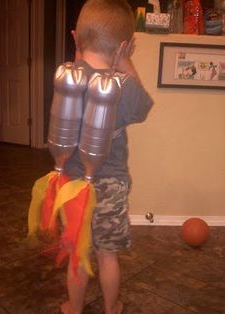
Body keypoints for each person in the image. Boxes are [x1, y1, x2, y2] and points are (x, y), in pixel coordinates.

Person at [61, 1, 154, 313]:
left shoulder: (66, 77)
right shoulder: (124, 87)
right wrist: (124, 62)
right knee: (107, 255)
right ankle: (111, 307)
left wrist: (78, 53)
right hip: (111, 185)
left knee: (78, 252)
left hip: (72, 183)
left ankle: (73, 308)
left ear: (77, 38)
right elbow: (144, 108)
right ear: (124, 46)